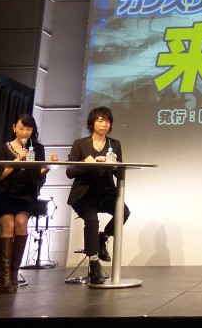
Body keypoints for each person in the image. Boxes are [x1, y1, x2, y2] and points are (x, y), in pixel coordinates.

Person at [0, 113, 58, 293]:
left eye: (28, 129)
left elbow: (37, 175)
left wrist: (48, 165)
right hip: (4, 194)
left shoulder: (37, 148)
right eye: (21, 128)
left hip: (26, 195)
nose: (25, 132)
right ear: (14, 128)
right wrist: (17, 159)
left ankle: (14, 274)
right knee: (9, 225)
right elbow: (0, 175)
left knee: (21, 223)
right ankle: (4, 277)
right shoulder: (3, 149)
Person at [67, 106, 130, 284]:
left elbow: (119, 172)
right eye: (100, 120)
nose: (104, 124)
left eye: (107, 121)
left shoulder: (114, 144)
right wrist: (88, 163)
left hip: (106, 192)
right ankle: (93, 263)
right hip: (84, 193)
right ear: (92, 123)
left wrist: (115, 163)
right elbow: (70, 172)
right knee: (92, 220)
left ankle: (103, 238)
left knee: (123, 212)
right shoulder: (80, 144)